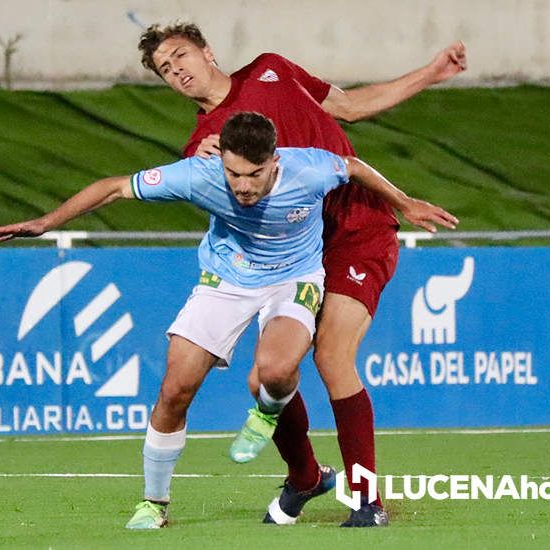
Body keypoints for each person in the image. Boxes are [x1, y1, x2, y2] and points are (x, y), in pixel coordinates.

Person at [0, 112, 456, 529]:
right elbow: (113, 187)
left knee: (273, 371)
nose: (243, 186)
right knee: (174, 390)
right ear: (222, 162)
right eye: (234, 173)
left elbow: (353, 167)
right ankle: (154, 503)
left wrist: (404, 202)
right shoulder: (200, 175)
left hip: (293, 280)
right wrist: (46, 222)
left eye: (254, 174)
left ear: (275, 162)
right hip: (224, 281)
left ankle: (268, 413)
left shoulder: (309, 168)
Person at [137, 22, 467, 526]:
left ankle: (365, 500)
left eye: (180, 55)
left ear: (208, 52)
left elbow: (350, 108)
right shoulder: (203, 148)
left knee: (333, 356)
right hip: (290, 261)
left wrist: (431, 73)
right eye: (165, 68)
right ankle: (306, 478)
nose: (176, 69)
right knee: (267, 377)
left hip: (356, 229)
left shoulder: (274, 69)